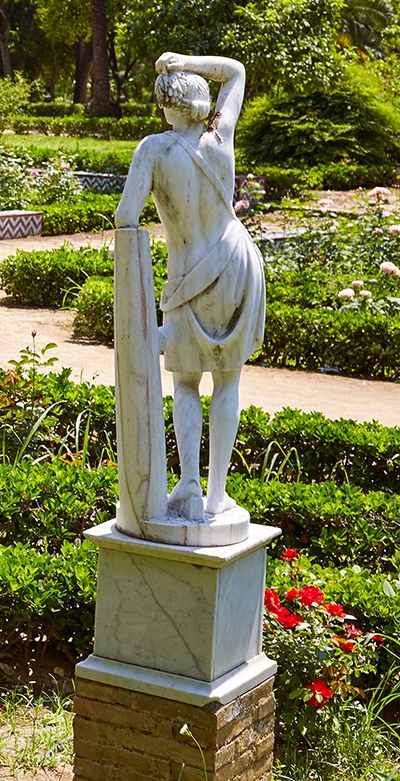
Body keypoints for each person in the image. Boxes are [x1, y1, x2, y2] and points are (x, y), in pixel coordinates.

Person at [114, 52, 265, 519]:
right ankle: (218, 493)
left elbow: (125, 218)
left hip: (189, 277)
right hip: (239, 265)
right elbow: (237, 70)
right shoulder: (220, 137)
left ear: (165, 106)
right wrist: (188, 61)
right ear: (202, 103)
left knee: (185, 381)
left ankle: (187, 483)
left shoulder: (154, 150)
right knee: (228, 379)